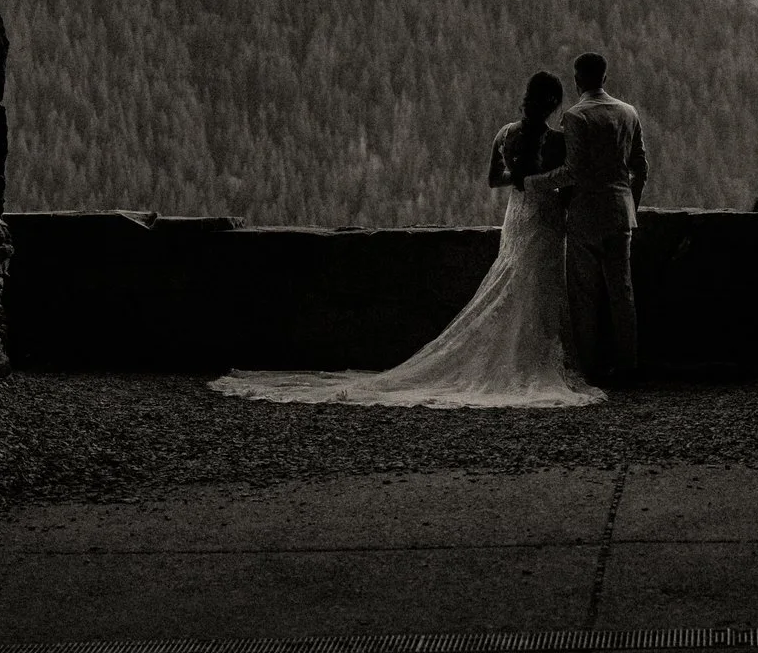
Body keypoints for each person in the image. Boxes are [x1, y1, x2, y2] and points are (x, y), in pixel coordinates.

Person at [208, 70, 603, 408]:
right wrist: (543, 189)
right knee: (541, 288)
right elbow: (566, 185)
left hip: (517, 218)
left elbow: (493, 180)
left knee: (515, 283)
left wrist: (519, 180)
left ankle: (519, 358)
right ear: (553, 103)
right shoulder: (556, 142)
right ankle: (534, 360)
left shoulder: (505, 134)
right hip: (546, 221)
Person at [524, 51, 645, 383]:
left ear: (577, 80)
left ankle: (588, 368)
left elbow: (572, 173)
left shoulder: (576, 117)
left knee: (584, 295)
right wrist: (630, 204)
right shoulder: (628, 113)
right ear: (605, 78)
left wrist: (532, 183)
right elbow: (641, 168)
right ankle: (628, 365)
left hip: (586, 216)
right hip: (621, 214)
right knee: (623, 292)